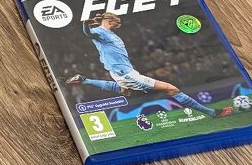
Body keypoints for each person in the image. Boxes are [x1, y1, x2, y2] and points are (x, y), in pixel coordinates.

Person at [67, 11, 232, 118]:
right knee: (171, 88)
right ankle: (212, 113)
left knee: (124, 91)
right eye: (117, 21)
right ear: (110, 20)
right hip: (126, 73)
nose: (119, 24)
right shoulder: (99, 32)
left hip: (122, 72)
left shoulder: (112, 34)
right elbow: (88, 34)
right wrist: (86, 23)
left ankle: (85, 80)